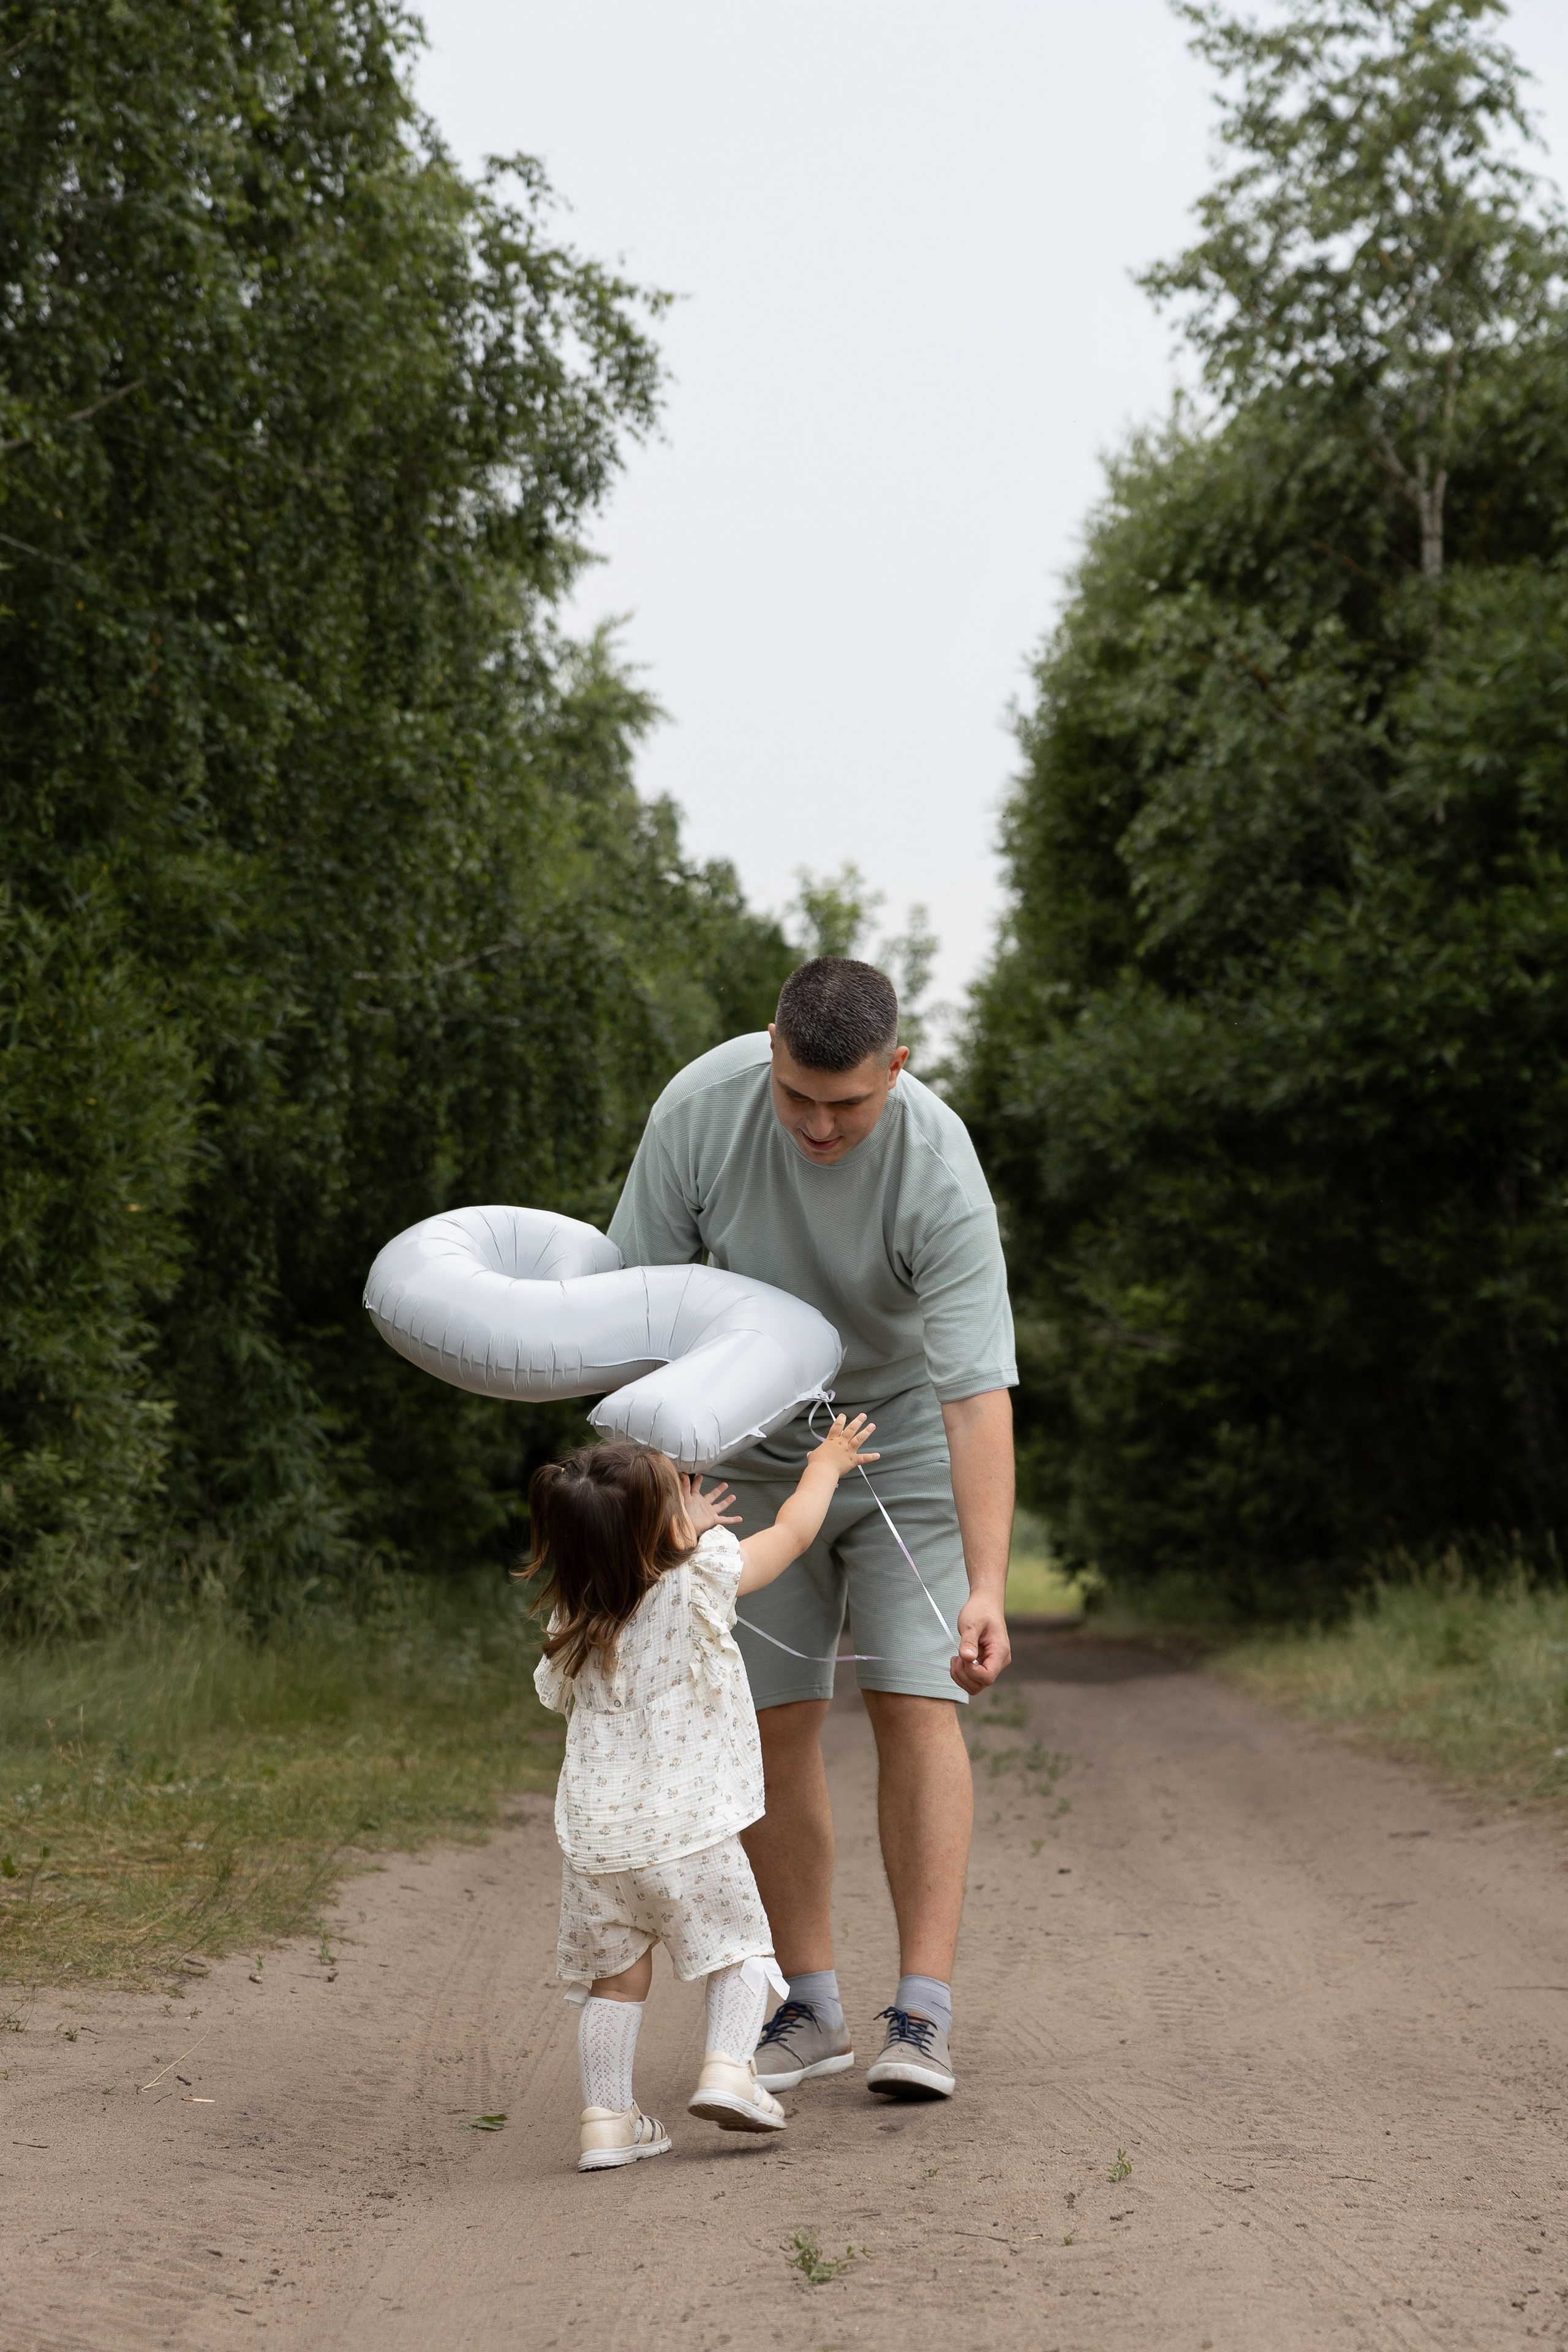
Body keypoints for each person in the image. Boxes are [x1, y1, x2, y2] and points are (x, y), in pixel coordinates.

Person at [608, 956, 1016, 2103]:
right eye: (799, 1097)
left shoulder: (938, 1166)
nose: (821, 1126)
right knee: (771, 1723)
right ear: (770, 1048)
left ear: (898, 1065)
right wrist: (660, 1507)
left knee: (914, 1696)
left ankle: (921, 2017)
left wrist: (986, 1584)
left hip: (902, 1442)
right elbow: (635, 1318)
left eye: (850, 1103)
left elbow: (977, 1393)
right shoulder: (697, 1114)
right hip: (741, 1430)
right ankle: (812, 2005)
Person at [530, 1412, 880, 2173]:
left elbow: (559, 1693)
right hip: (688, 1828)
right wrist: (826, 1462)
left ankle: (606, 2122)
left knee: (615, 1983)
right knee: (743, 1950)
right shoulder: (699, 1578)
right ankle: (730, 2072)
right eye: (675, 1496)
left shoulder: (573, 1617)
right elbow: (790, 1534)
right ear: (664, 1530)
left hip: (596, 1843)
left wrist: (671, 1535)